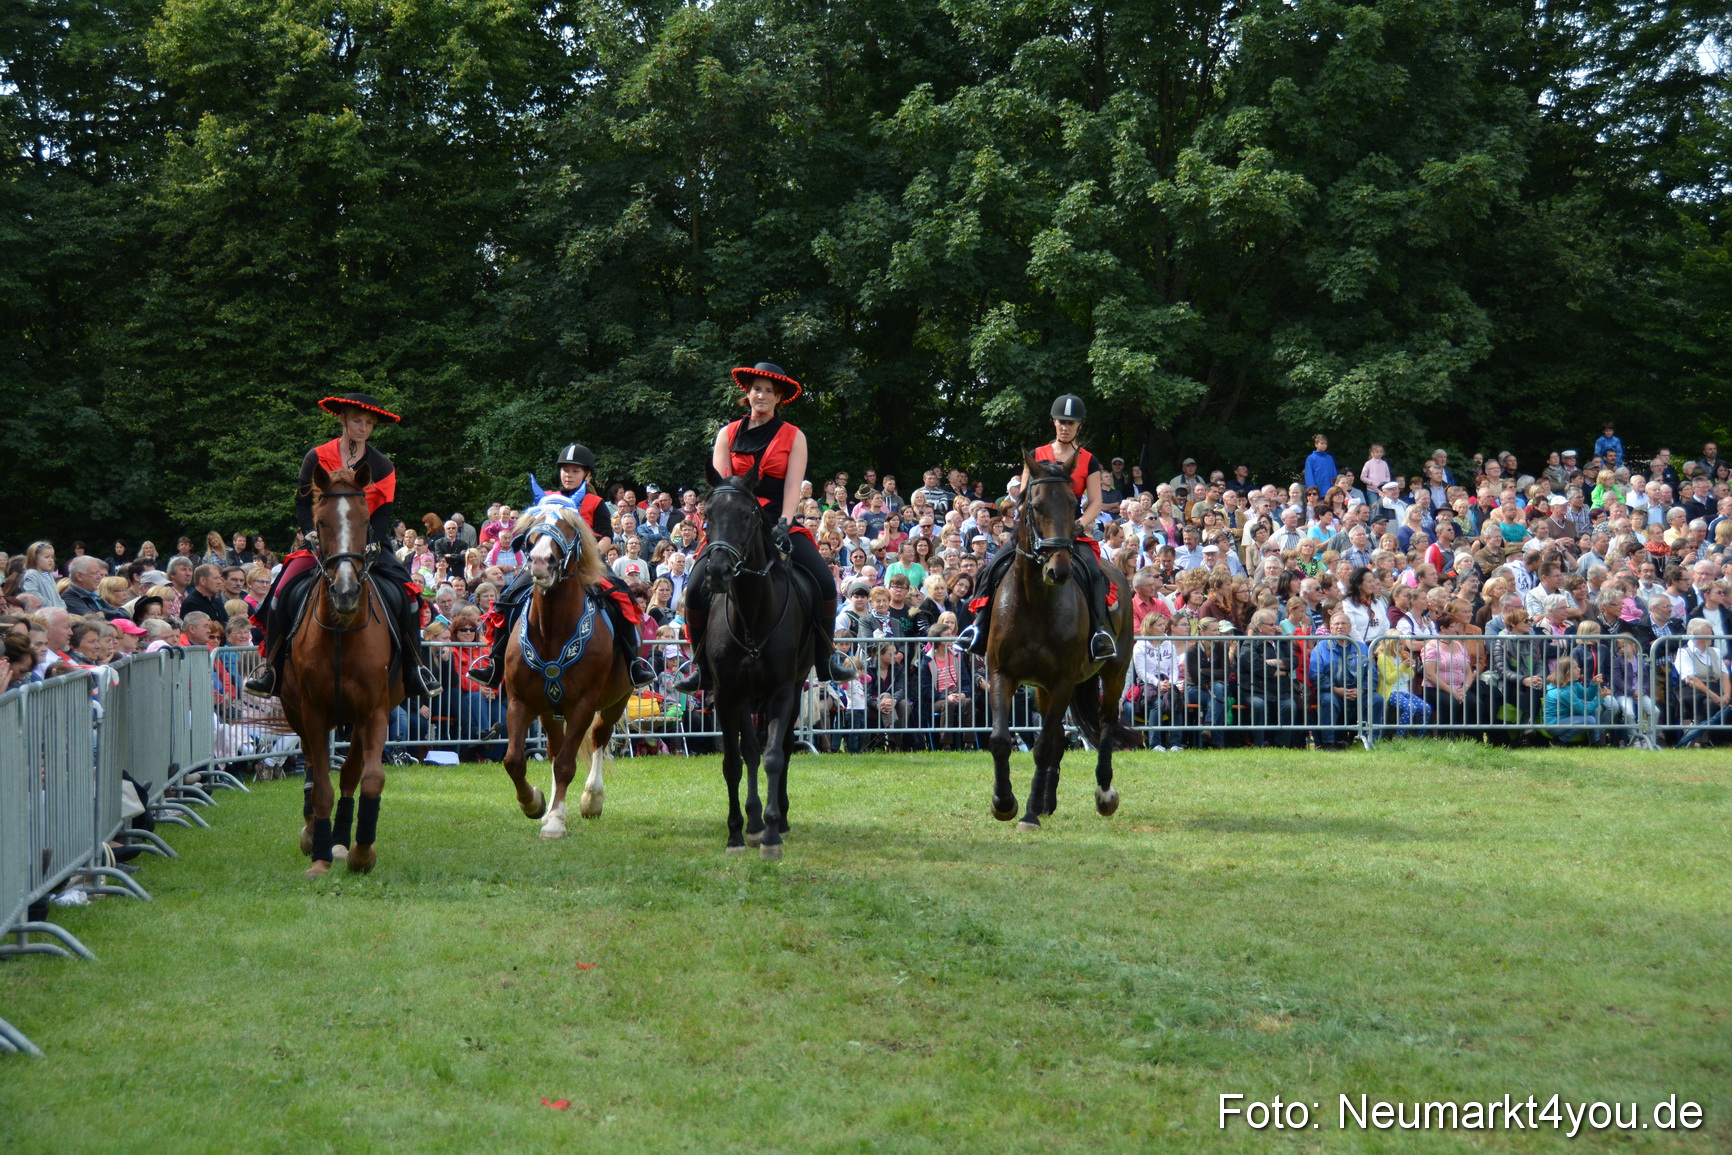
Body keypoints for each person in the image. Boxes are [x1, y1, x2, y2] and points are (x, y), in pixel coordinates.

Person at [675, 362, 855, 691]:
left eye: (768, 391)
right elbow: (722, 487)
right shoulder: (727, 433)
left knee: (825, 582)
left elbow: (792, 486)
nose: (761, 395)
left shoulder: (793, 436)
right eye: (756, 388)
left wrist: (785, 523)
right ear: (748, 392)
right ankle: (700, 665)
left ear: (779, 397)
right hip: (734, 525)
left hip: (776, 519)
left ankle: (826, 658)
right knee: (697, 582)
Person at [243, 393, 436, 697]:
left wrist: (374, 541)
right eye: (357, 420)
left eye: (369, 423)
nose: (363, 427)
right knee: (281, 590)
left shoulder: (382, 464)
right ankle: (272, 668)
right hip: (323, 539)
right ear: (343, 419)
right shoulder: (317, 456)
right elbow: (302, 501)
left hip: (368, 540)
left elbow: (384, 510)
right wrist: (309, 531)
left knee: (409, 594)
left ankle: (415, 668)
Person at [468, 442, 654, 688]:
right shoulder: (547, 499)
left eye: (575, 470)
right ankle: (495, 663)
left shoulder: (595, 502)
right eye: (565, 470)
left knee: (622, 596)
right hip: (550, 561)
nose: (568, 475)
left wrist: (590, 556)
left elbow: (606, 535)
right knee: (509, 597)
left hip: (586, 562)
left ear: (587, 474)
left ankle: (633, 665)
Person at [958, 393, 1118, 661]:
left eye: (1071, 422)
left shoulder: (1088, 459)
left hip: (1069, 532)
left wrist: (1078, 525)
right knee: (994, 566)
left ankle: (1098, 634)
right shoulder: (1036, 455)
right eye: (1061, 422)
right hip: (1035, 531)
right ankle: (978, 627)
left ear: (1079, 425)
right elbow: (1022, 494)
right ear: (1054, 422)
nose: (1065, 427)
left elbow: (1096, 503)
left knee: (1093, 572)